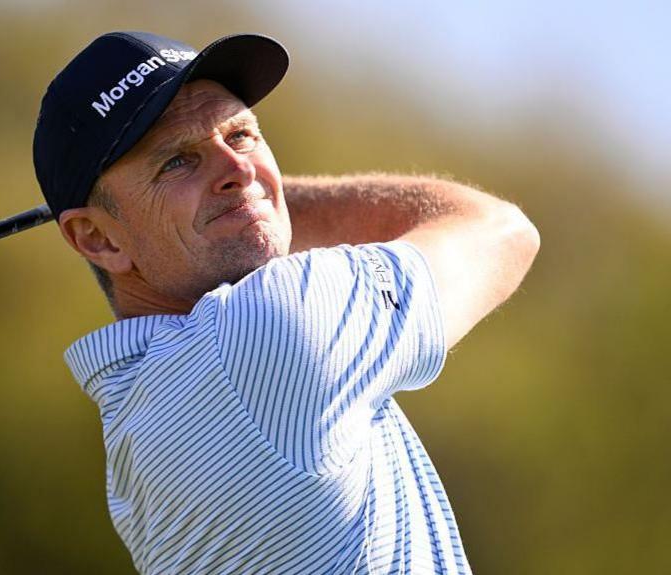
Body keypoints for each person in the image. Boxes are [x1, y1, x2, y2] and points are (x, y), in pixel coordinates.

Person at [32, 31, 539, 574]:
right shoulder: (267, 326)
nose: (240, 167)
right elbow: (499, 230)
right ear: (97, 240)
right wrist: (260, 196)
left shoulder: (134, 434)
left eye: (242, 135)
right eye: (177, 161)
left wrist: (227, 197)